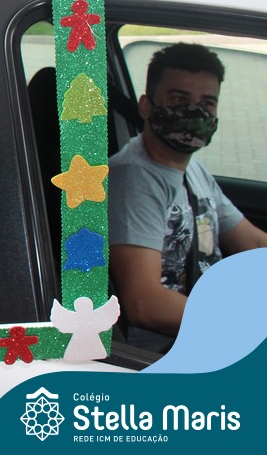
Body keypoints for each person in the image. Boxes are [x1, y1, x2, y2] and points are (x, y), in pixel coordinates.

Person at [108, 42, 267, 353]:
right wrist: (247, 322)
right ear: (146, 106)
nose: (195, 112)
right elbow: (145, 304)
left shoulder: (191, 169)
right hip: (170, 348)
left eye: (207, 103)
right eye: (179, 99)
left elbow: (253, 242)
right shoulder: (133, 180)